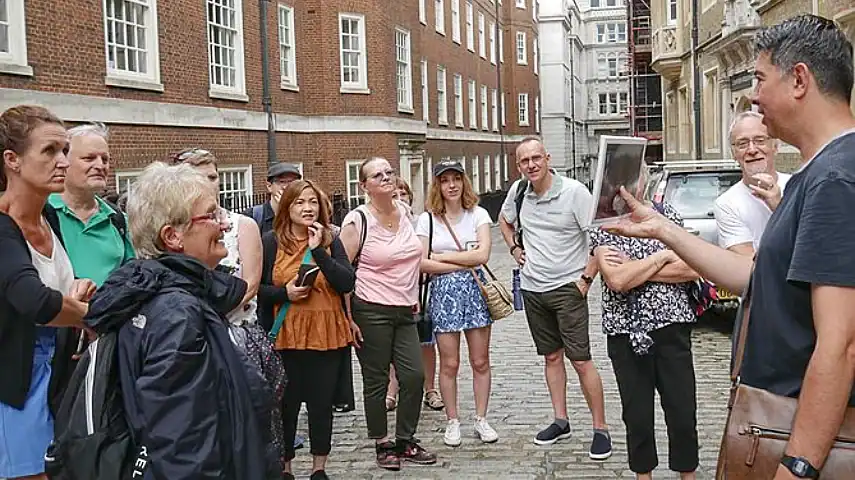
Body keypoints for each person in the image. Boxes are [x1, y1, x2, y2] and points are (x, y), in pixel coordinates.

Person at [603, 15, 855, 479]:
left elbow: (841, 344)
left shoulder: (835, 180)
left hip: (795, 436)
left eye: (760, 79)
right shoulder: (816, 174)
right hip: (772, 419)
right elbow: (756, 280)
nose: (755, 96)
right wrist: (663, 229)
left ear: (799, 79)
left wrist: (798, 466)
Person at [84, 162, 278, 479]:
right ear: (173, 236)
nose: (225, 226)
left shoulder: (174, 298)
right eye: (212, 215)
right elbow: (184, 445)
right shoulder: (178, 314)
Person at [169, 147, 287, 466]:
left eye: (214, 176)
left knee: (255, 419)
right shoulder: (175, 229)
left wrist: (213, 313)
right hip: (192, 333)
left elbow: (250, 283)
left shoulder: (241, 225)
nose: (211, 183)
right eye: (201, 177)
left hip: (237, 332)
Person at [498, 137, 612, 458]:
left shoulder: (574, 192)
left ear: (547, 158)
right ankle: (561, 420)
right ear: (518, 165)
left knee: (580, 360)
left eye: (536, 158)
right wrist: (514, 248)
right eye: (524, 161)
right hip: (534, 289)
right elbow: (504, 222)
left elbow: (599, 236)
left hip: (567, 288)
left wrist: (586, 279)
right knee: (551, 357)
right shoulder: (519, 192)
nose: (531, 165)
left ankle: (600, 428)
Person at [0, 105, 95, 480]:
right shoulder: (3, 226)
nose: (63, 161)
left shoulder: (49, 217)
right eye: (50, 151)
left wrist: (74, 294)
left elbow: (52, 294)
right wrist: (91, 312)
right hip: (14, 380)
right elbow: (34, 301)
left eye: (65, 150)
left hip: (56, 372)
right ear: (12, 160)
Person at [591, 171, 700, 480]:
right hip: (626, 332)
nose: (627, 186)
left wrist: (636, 269)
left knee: (682, 413)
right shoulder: (604, 223)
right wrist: (663, 257)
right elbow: (617, 280)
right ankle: (644, 476)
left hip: (672, 328)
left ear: (646, 179)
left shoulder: (667, 217)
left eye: (634, 176)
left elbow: (693, 267)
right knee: (637, 417)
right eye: (621, 178)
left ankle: (687, 476)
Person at [339, 157, 437, 471]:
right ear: (363, 186)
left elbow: (415, 259)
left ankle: (405, 439)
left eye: (389, 172)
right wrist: (348, 317)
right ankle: (383, 442)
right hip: (370, 310)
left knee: (414, 375)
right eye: (377, 175)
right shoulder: (357, 221)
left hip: (405, 309)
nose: (386, 178)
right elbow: (342, 274)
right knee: (376, 379)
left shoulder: (406, 212)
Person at [257, 180, 355, 480]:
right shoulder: (271, 241)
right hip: (285, 335)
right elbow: (256, 289)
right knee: (285, 406)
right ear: (287, 206)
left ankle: (318, 469)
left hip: (326, 336)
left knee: (320, 405)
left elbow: (347, 282)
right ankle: (285, 467)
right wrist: (283, 294)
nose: (308, 208)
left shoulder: (331, 239)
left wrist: (320, 252)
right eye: (300, 202)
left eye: (313, 202)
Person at [417, 160, 498, 447]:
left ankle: (481, 418)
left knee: (480, 360)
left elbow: (482, 256)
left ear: (464, 182)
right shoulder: (427, 220)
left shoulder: (478, 214)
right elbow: (422, 262)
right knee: (449, 363)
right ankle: (452, 420)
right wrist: (461, 259)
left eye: (456, 178)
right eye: (444, 180)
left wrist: (441, 257)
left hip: (475, 293)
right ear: (437, 185)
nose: (451, 185)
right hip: (443, 295)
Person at [47, 123, 135, 285]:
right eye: (89, 158)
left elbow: (132, 278)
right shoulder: (40, 214)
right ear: (64, 162)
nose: (100, 166)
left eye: (105, 159)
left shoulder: (118, 221)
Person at [386, 177, 445, 413]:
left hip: (422, 290)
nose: (399, 199)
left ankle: (430, 389)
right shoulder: (383, 225)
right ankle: (393, 388)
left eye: (403, 194)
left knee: (426, 341)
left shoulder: (421, 223)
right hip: (394, 291)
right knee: (393, 342)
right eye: (394, 195)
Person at [714, 112, 790, 256]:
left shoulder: (800, 186)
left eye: (760, 140)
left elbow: (817, 245)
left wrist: (779, 207)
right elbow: (748, 265)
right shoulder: (726, 204)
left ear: (775, 146)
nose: (752, 150)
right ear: (734, 153)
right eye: (742, 144)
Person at [244, 162, 303, 235]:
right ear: (269, 186)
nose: (286, 187)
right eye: (281, 182)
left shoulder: (304, 215)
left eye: (292, 182)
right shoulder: (252, 216)